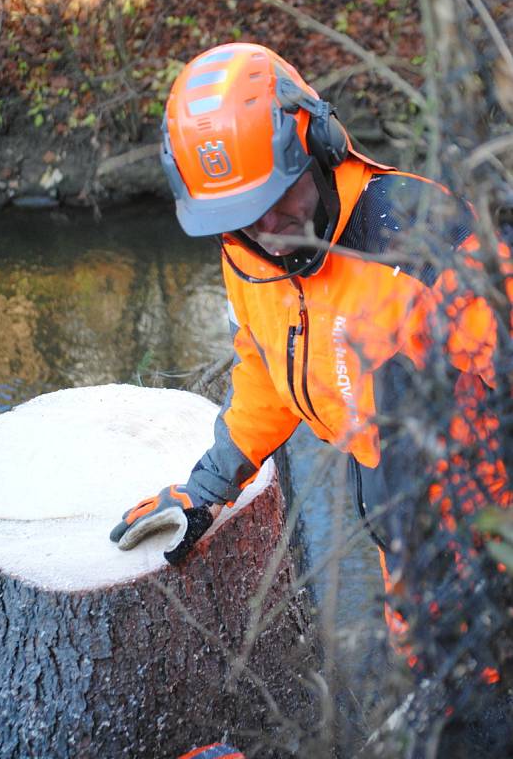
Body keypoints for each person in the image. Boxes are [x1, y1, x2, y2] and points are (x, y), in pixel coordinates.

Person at [110, 43, 510, 658]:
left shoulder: (418, 238)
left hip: (481, 518)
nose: (266, 229)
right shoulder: (249, 250)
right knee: (431, 677)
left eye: (275, 200)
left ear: (318, 147)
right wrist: (211, 484)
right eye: (240, 216)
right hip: (397, 513)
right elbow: (268, 366)